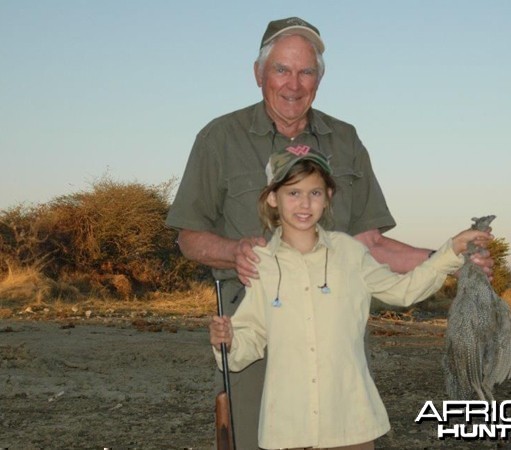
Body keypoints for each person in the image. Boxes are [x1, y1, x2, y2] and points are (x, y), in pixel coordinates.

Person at [166, 16, 493, 448]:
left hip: (332, 325)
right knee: (256, 438)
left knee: (344, 428)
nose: (294, 84)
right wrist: (236, 251)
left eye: (307, 72)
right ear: (259, 73)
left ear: (320, 79)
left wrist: (453, 257)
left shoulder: (346, 138)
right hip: (255, 318)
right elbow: (188, 236)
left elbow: (371, 245)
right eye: (282, 69)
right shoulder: (218, 137)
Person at [209, 146, 493, 449]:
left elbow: (404, 289)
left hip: (351, 426)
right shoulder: (261, 263)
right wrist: (227, 340)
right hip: (288, 430)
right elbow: (248, 340)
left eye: (315, 193)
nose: (304, 203)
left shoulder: (350, 253)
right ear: (272, 198)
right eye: (293, 193)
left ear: (328, 196)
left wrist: (450, 250)